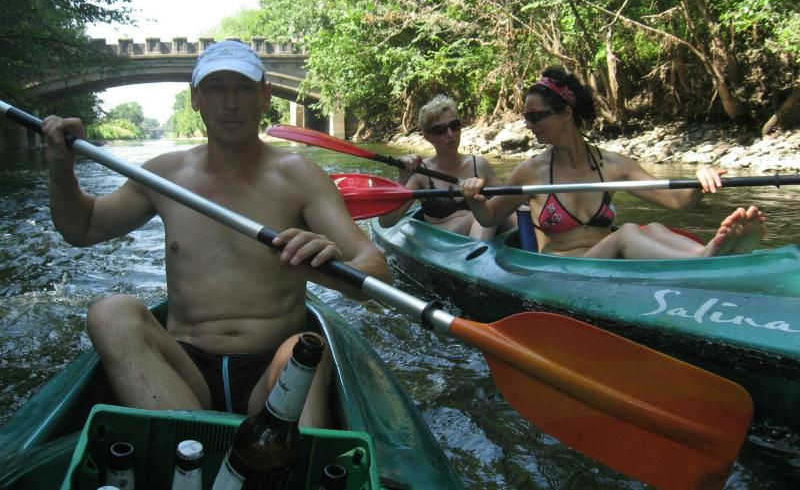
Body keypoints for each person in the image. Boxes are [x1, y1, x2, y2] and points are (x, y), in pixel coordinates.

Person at [41, 40, 390, 425]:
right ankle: (187, 440)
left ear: (265, 96)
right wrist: (61, 171)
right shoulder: (163, 175)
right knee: (110, 314)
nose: (230, 102)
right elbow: (83, 227)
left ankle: (273, 457)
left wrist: (333, 268)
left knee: (307, 350)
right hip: (184, 370)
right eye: (216, 88)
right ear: (196, 98)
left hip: (271, 369)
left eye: (243, 88)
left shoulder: (301, 177)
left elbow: (376, 269)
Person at [460, 66, 765, 258]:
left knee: (654, 227)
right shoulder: (531, 171)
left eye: (535, 116)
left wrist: (700, 180)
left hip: (607, 264)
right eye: (527, 117)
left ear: (566, 113)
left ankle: (713, 255)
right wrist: (474, 197)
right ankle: (704, 258)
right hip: (562, 273)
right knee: (628, 231)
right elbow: (489, 216)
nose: (529, 125)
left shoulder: (614, 165)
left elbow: (675, 200)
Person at [377, 94, 512, 239]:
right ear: (427, 136)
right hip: (444, 242)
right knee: (482, 213)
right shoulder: (420, 173)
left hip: (480, 236)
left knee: (504, 212)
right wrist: (403, 179)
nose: (450, 134)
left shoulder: (479, 165)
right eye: (440, 130)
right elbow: (386, 222)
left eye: (455, 126)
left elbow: (505, 204)